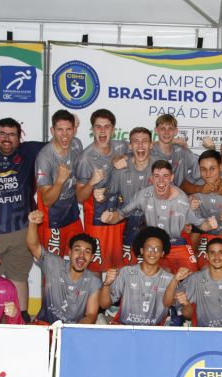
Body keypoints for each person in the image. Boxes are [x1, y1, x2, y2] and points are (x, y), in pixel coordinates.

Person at [100, 160, 218, 273]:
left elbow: (200, 224)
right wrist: (110, 218)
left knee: (191, 274)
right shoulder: (143, 195)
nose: (161, 181)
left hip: (178, 244)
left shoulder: (182, 199)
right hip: (155, 246)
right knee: (161, 275)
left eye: (165, 176)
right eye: (156, 176)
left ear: (171, 178)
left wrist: (209, 224)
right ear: (151, 178)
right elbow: (120, 214)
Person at [0, 117, 46, 322]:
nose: (7, 139)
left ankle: (22, 319)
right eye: (2, 134)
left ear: (20, 138)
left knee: (19, 277)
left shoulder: (29, 151)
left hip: (22, 231)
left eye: (12, 135)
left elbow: (62, 143)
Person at [75, 109, 129, 272]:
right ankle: (95, 297)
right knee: (96, 267)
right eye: (98, 127)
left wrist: (175, 142)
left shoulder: (121, 146)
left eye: (107, 127)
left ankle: (114, 298)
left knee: (119, 264)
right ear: (92, 130)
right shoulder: (86, 159)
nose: (103, 131)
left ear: (113, 129)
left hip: (119, 212)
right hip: (97, 216)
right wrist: (92, 184)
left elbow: (144, 148)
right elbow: (79, 197)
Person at [26, 210, 101, 324]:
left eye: (87, 252)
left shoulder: (93, 281)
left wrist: (71, 333)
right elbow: (33, 245)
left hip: (71, 331)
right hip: (44, 326)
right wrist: (32, 222)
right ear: (70, 253)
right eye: (77, 250)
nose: (81, 255)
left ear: (91, 257)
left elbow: (91, 315)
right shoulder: (54, 264)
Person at [96, 127, 156, 264]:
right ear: (130, 146)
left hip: (153, 226)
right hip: (127, 224)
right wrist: (100, 194)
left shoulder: (159, 167)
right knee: (126, 268)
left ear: (151, 145)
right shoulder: (121, 168)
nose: (140, 145)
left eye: (145, 141)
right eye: (136, 141)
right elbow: (109, 193)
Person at [99, 227, 175, 326]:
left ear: (162, 253)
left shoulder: (171, 279)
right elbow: (104, 304)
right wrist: (106, 284)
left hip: (155, 332)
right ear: (142, 250)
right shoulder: (126, 272)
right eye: (149, 248)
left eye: (157, 249)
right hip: (126, 328)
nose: (153, 252)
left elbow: (186, 312)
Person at [35, 110, 84, 257]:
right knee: (53, 267)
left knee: (80, 257)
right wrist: (60, 181)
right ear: (52, 131)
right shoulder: (45, 158)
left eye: (68, 129)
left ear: (74, 130)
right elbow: (46, 200)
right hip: (53, 219)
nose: (64, 135)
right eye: (60, 130)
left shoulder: (76, 144)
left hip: (72, 215)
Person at [152, 114, 200, 186]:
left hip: (178, 195)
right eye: (162, 128)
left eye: (170, 129)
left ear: (176, 131)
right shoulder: (149, 151)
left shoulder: (182, 151)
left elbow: (201, 163)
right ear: (156, 130)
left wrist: (188, 183)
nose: (166, 132)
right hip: (155, 194)